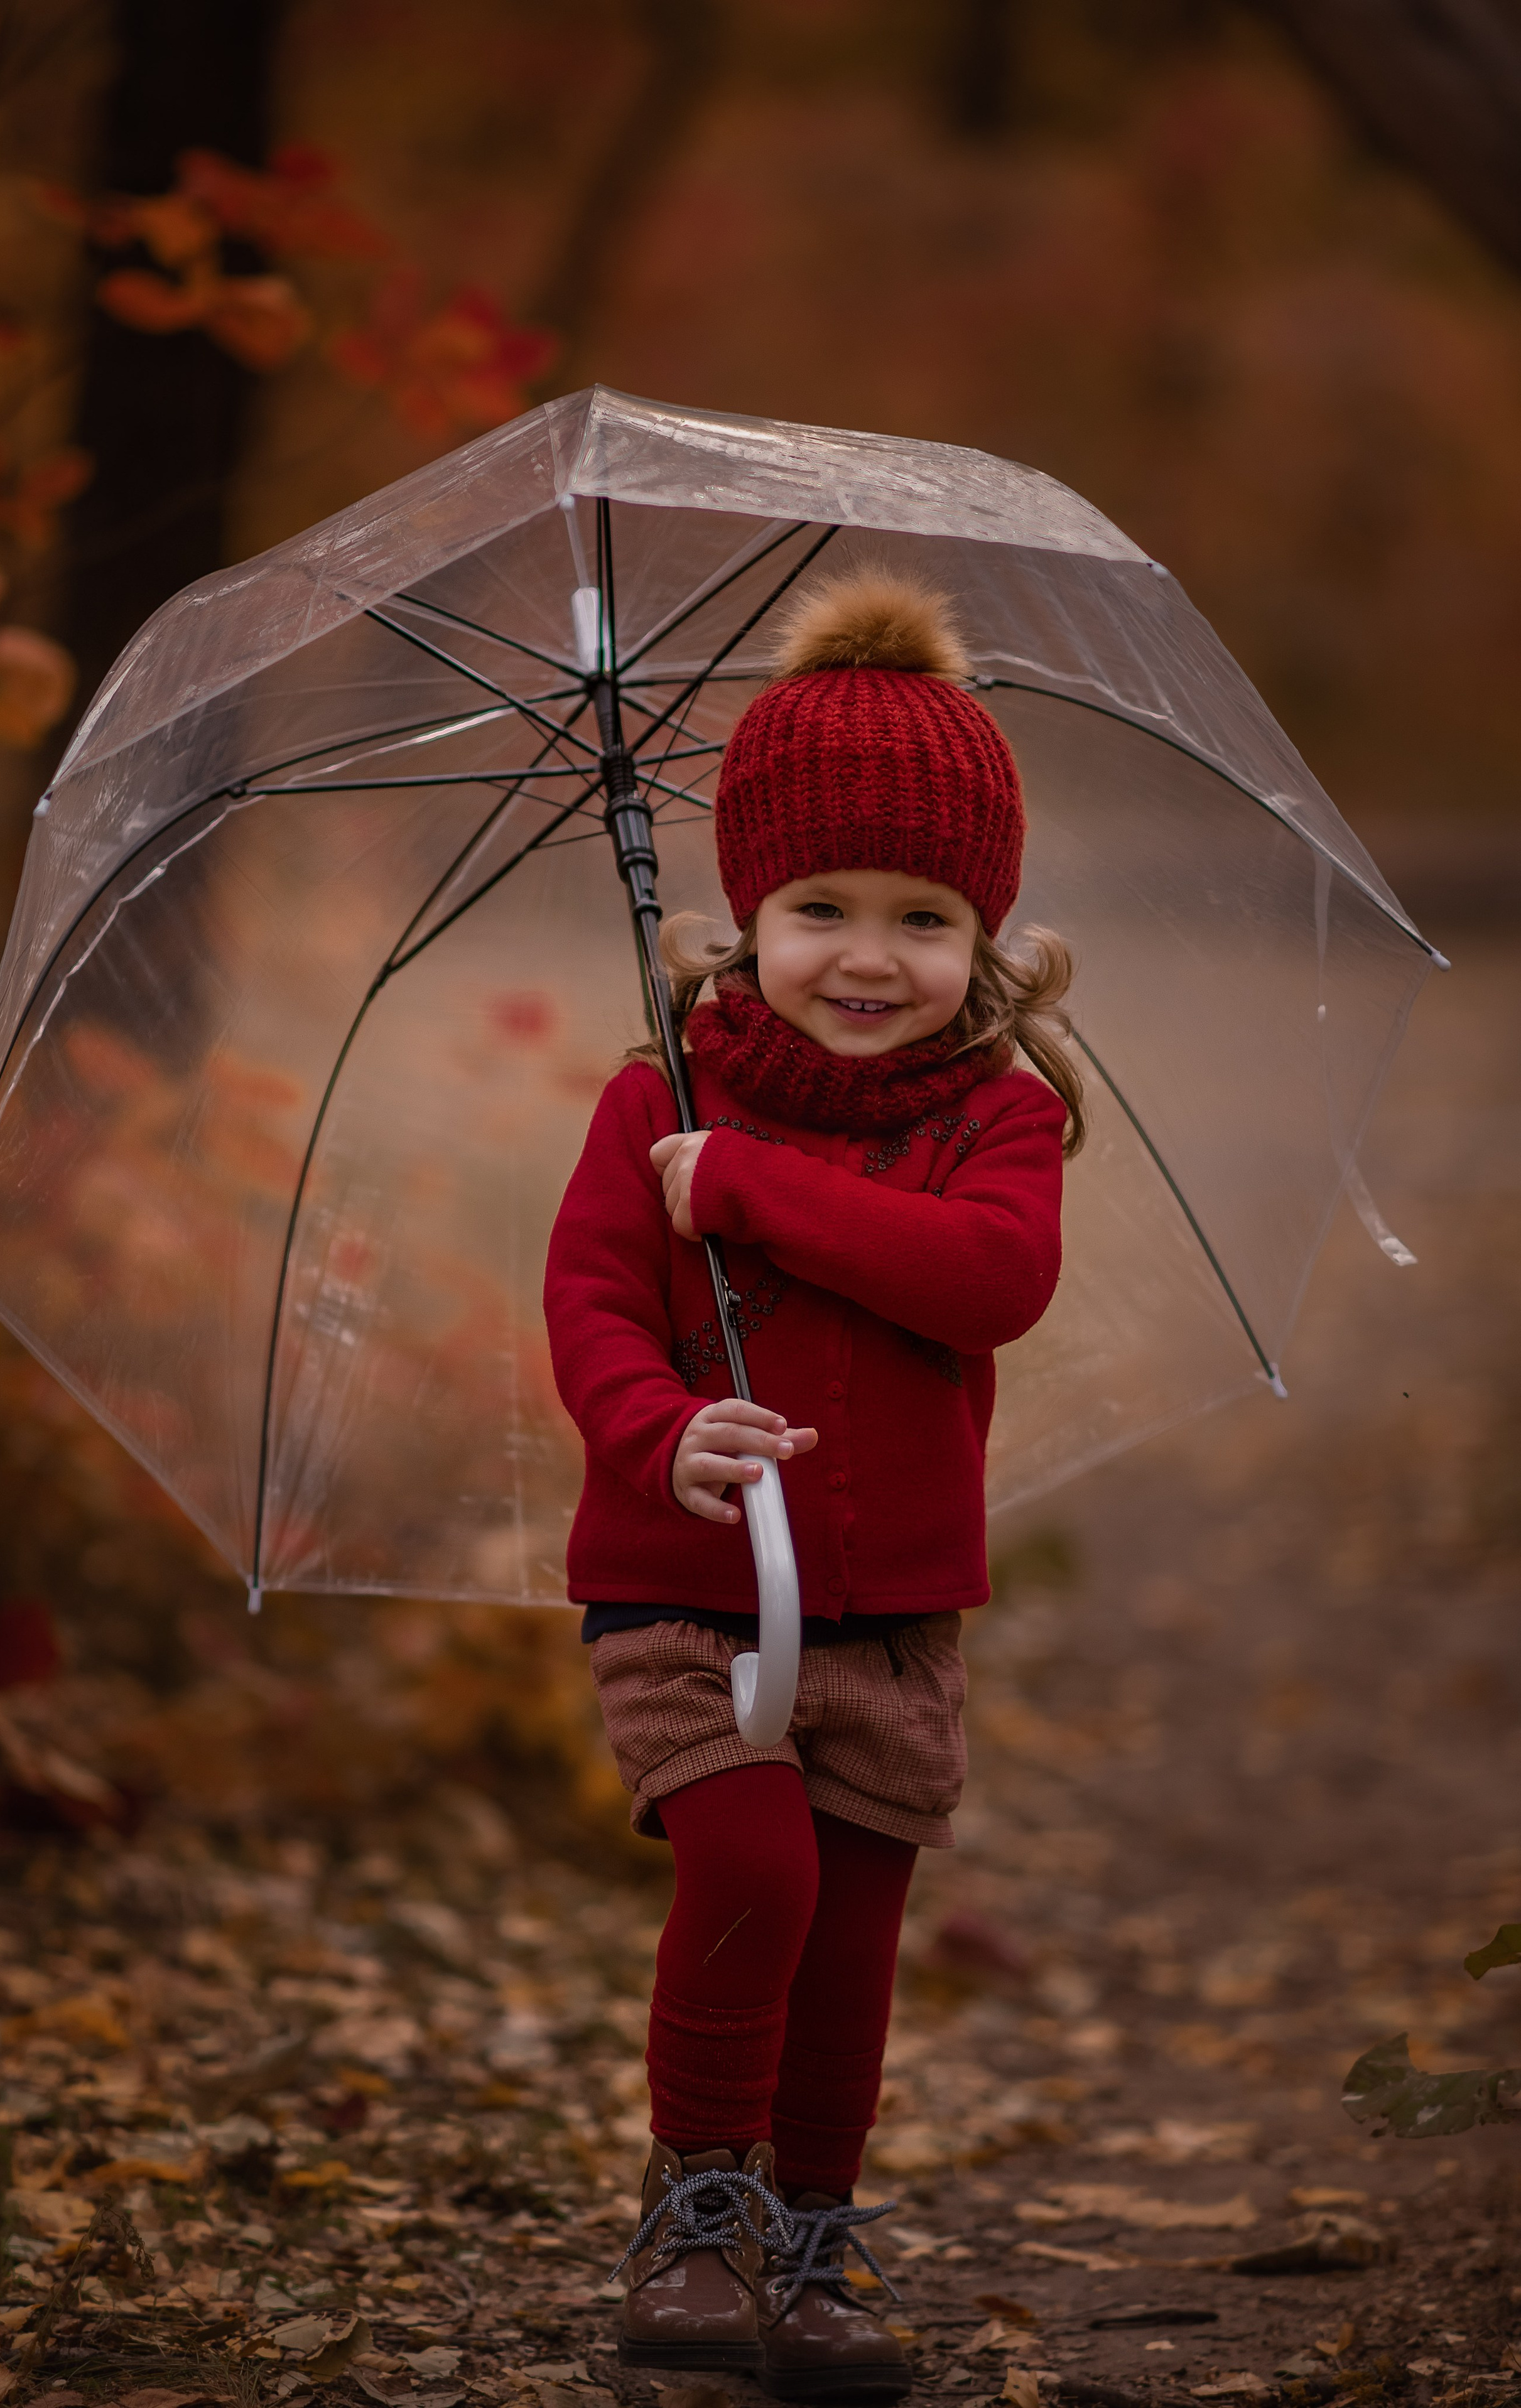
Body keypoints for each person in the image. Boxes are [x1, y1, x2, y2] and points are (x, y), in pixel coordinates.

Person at [543, 570, 1082, 2400]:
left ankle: (812, 2227)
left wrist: (760, 1192)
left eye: (924, 916)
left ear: (984, 928)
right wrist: (655, 1430)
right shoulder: (660, 1095)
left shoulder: (995, 1112)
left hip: (894, 1606)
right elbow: (594, 1300)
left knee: (854, 1937)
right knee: (753, 1864)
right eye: (821, 907)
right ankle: (695, 2202)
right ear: (745, 910)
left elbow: (988, 1278)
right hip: (683, 1585)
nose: (871, 953)